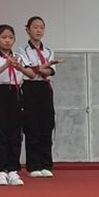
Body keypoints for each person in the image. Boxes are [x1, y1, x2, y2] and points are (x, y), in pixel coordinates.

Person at [0, 24, 35, 187]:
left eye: (10, 37)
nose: (7, 40)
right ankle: (1, 171)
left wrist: (19, 66)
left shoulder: (20, 56)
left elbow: (31, 74)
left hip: (16, 92)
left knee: (16, 132)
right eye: (3, 37)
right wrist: (6, 65)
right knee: (0, 132)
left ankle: (13, 170)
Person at [20, 16, 64, 178]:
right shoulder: (22, 50)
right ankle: (33, 165)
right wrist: (42, 68)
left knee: (47, 125)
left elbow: (50, 72)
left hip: (45, 88)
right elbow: (29, 71)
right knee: (32, 125)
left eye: (41, 27)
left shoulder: (48, 51)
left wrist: (41, 68)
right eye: (35, 27)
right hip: (30, 88)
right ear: (28, 30)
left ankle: (46, 164)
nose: (38, 30)